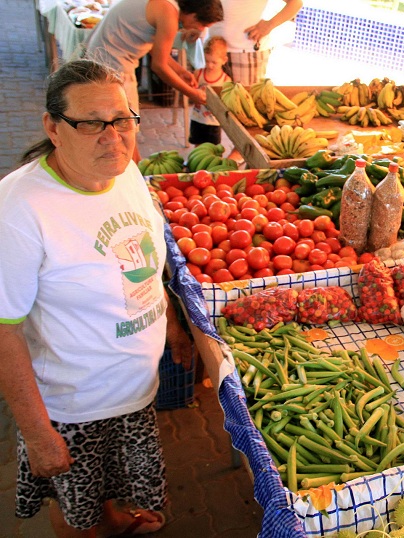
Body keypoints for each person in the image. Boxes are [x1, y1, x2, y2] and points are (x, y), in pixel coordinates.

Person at [0, 59, 193, 536]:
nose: (113, 137)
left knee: (105, 488)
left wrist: (169, 326)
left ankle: (113, 521)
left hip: (133, 387)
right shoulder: (20, 210)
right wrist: (37, 433)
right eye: (90, 124)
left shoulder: (125, 172)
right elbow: (4, 332)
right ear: (54, 127)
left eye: (123, 119)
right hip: (75, 405)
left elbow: (142, 263)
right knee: (75, 512)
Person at [85, 0, 225, 160]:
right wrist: (192, 93)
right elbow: (158, 65)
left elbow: (155, 48)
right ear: (193, 15)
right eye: (203, 24)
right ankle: (134, 173)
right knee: (126, 127)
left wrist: (181, 71)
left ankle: (133, 168)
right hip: (111, 64)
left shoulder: (168, 6)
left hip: (102, 55)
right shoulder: (169, 14)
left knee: (124, 126)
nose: (202, 29)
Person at [209, 0, 303, 87]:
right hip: (212, 50)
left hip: (246, 53)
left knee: (243, 101)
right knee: (211, 101)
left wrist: (269, 25)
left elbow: (295, 3)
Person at [190, 36, 232, 146]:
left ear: (224, 60)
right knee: (197, 146)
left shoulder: (225, 80)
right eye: (206, 60)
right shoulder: (198, 73)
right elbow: (191, 92)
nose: (209, 65)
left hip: (214, 122)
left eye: (214, 62)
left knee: (214, 148)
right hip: (197, 118)